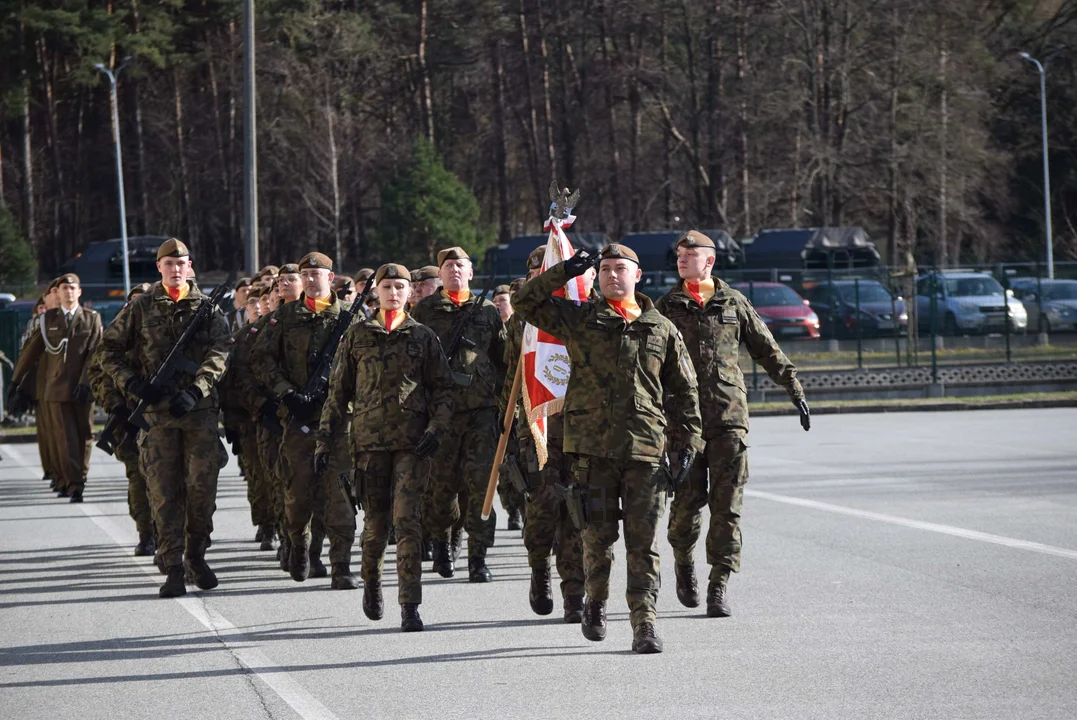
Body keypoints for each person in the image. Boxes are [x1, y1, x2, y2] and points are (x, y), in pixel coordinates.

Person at [513, 243, 703, 654]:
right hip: (591, 455)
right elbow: (524, 302)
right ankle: (595, 603)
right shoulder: (580, 320)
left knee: (643, 544)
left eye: (621, 269)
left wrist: (687, 442)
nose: (612, 275)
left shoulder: (660, 328)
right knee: (596, 540)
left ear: (638, 276)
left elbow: (685, 392)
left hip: (645, 452)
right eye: (604, 270)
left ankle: (644, 623)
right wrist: (563, 270)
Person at [655, 230, 810, 617]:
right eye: (678, 256)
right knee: (687, 505)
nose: (681, 261)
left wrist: (794, 388)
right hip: (682, 423)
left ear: (709, 261)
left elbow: (766, 348)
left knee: (728, 506)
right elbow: (648, 362)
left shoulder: (732, 302)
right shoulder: (665, 306)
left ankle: (719, 582)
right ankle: (684, 562)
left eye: (689, 255)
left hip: (728, 418)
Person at [318, 263, 455, 630]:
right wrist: (324, 441)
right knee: (376, 525)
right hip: (368, 444)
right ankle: (372, 582)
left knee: (408, 523)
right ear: (376, 292)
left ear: (409, 293)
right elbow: (338, 392)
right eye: (387, 286)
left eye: (400, 287)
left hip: (414, 444)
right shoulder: (357, 336)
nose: (393, 293)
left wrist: (437, 428)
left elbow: (443, 388)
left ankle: (409, 604)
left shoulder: (423, 336)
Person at [96, 239, 232, 597]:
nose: (175, 268)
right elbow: (107, 350)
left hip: (198, 415)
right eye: (169, 263)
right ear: (159, 267)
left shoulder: (207, 308)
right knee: (163, 493)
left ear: (190, 267)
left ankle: (197, 556)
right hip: (156, 418)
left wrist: (198, 388)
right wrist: (133, 383)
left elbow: (221, 352)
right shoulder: (140, 307)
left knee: (202, 492)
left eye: (181, 263)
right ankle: (172, 566)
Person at [251, 252, 357, 588]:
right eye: (306, 274)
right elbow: (261, 359)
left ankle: (341, 564)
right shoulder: (283, 317)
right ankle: (299, 545)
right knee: (297, 494)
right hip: (298, 420)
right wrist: (285, 392)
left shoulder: (351, 320)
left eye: (318, 274)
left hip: (339, 422)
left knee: (340, 494)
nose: (311, 279)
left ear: (332, 277)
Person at [500, 247, 589, 622]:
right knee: (541, 511)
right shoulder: (521, 321)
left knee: (576, 514)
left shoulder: (585, 311)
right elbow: (510, 378)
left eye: (553, 270)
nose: (545, 276)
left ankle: (574, 595)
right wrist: (506, 431)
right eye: (540, 271)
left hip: (584, 430)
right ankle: (539, 570)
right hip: (538, 430)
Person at [411, 247, 507, 582]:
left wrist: (505, 405)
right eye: (448, 265)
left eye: (460, 265)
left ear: (470, 273)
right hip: (441, 414)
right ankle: (440, 540)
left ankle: (477, 558)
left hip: (481, 412)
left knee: (481, 489)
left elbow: (502, 358)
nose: (454, 269)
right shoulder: (424, 309)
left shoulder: (488, 311)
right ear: (440, 273)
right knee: (441, 488)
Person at [10, 273, 103, 502]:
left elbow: (95, 353)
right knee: (65, 438)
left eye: (73, 288)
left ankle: (78, 475)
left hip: (83, 388)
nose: (69, 292)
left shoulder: (92, 319)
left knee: (85, 435)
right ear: (58, 294)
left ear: (79, 292)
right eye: (64, 289)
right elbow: (30, 353)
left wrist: (86, 383)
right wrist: (15, 381)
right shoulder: (48, 319)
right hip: (57, 389)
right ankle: (75, 483)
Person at [88, 282, 154, 553]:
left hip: (158, 416)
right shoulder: (117, 335)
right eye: (135, 301)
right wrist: (116, 405)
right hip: (127, 419)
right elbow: (98, 374)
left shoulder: (160, 332)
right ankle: (146, 533)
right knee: (138, 477)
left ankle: (168, 532)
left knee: (165, 480)